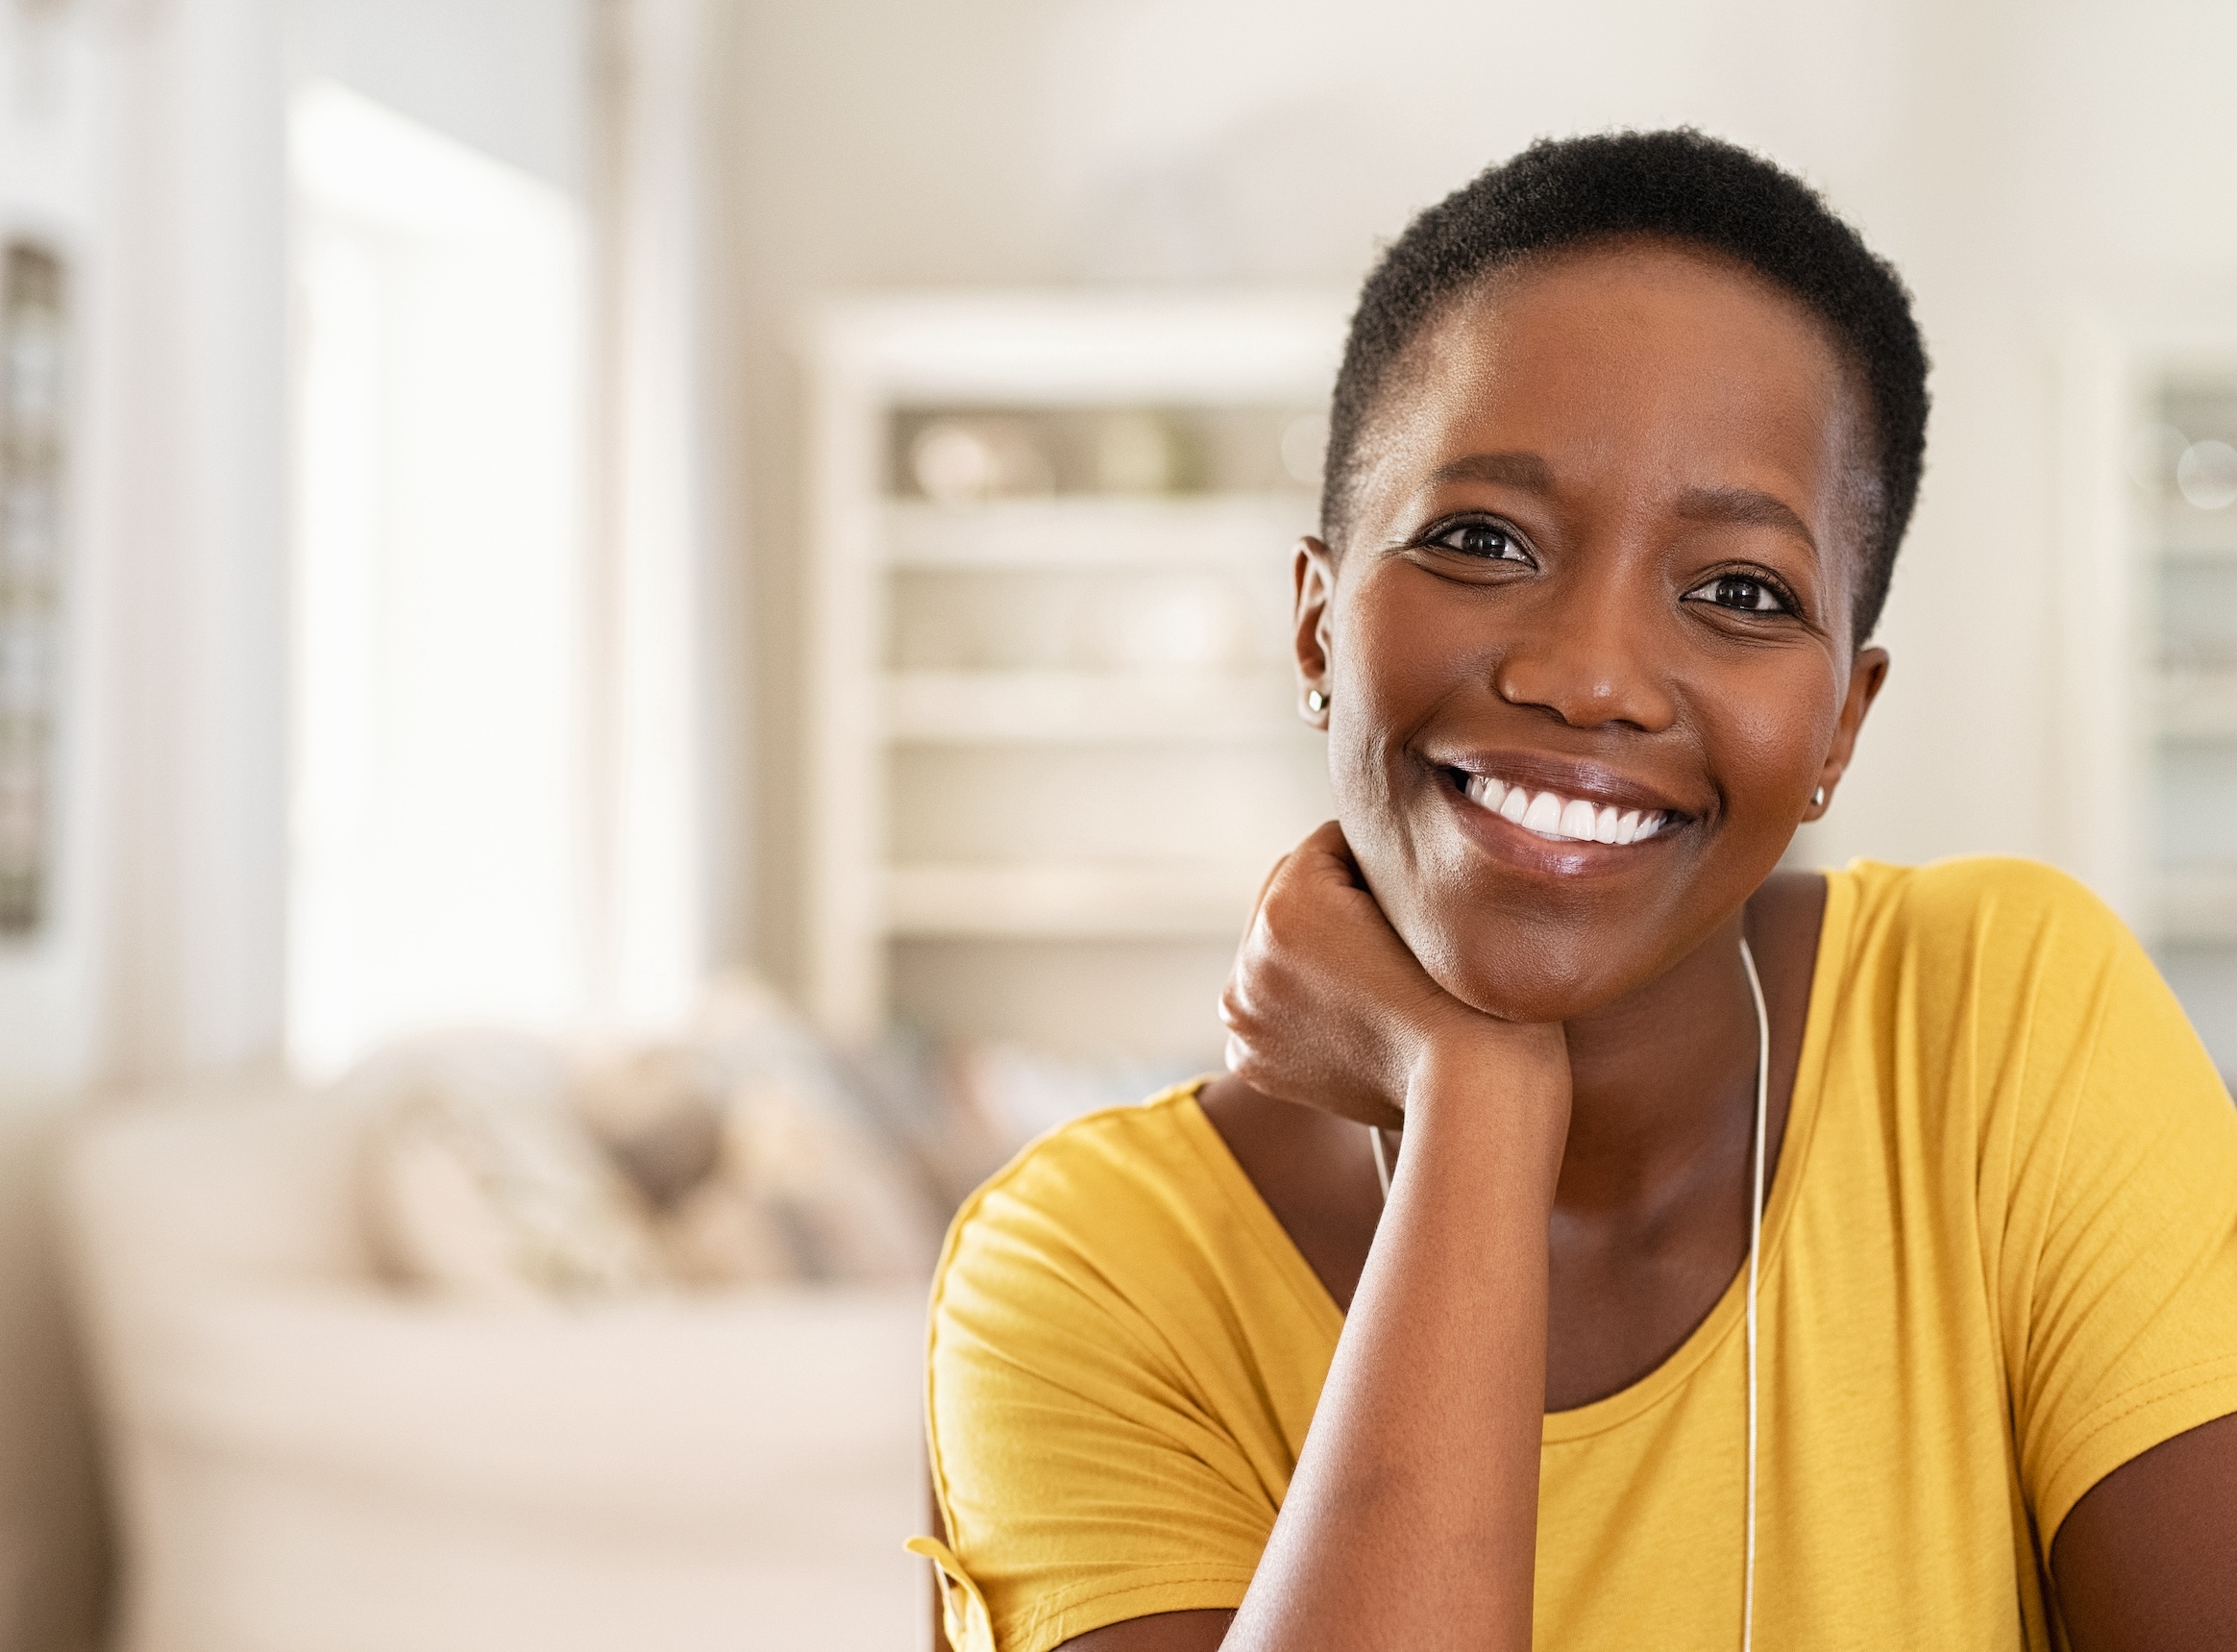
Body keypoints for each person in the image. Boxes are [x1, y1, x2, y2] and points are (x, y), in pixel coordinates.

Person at [909, 131, 2237, 1651]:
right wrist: (1475, 1104)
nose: (1592, 675)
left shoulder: (2002, 1019)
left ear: (1840, 726)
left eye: (1740, 591)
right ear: (1316, 630)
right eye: (1481, 541)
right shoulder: (1087, 1276)